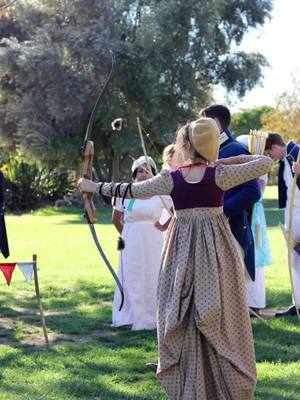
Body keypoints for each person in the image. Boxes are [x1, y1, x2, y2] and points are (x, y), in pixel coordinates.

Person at [79, 117, 272, 399]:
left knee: (181, 316)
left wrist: (93, 186)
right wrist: (222, 162)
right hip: (216, 256)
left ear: (184, 146)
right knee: (216, 314)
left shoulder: (172, 178)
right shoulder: (218, 175)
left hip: (181, 256)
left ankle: (193, 384)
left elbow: (129, 190)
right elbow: (264, 162)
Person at [199, 105, 261, 283]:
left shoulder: (235, 151)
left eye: (203, 123)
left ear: (216, 123)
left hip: (230, 230)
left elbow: (252, 191)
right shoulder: (210, 153)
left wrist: (220, 213)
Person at [111, 155, 172, 330]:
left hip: (153, 240)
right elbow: (116, 219)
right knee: (132, 273)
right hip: (130, 240)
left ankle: (153, 317)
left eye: (146, 171)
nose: (142, 174)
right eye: (139, 171)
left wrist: (163, 225)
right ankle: (130, 315)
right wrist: (128, 235)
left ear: (152, 172)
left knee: (153, 273)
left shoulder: (161, 194)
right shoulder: (125, 193)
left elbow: (176, 212)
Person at [265, 133, 300, 317]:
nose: (271, 158)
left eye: (270, 154)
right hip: (291, 217)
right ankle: (298, 303)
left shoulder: (298, 153)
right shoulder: (283, 162)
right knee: (294, 262)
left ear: (275, 148)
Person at [237, 135, 272, 313]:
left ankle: (255, 303)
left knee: (254, 257)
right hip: (247, 214)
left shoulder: (259, 167)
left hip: (254, 216)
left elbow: (256, 190)